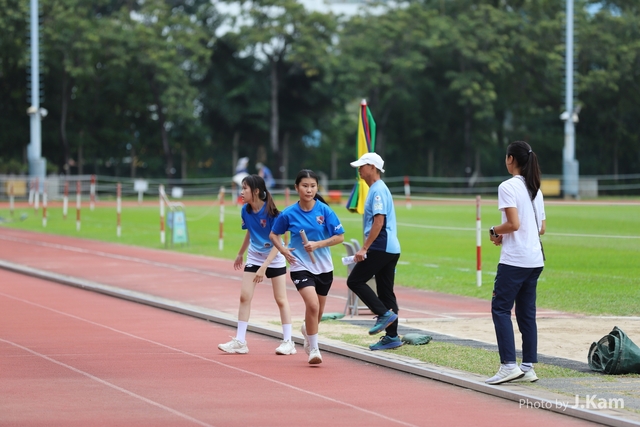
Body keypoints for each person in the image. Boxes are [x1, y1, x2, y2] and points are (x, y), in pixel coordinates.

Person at [269, 169, 345, 365]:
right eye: (305, 186)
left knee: (317, 313)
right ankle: (314, 349)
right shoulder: (289, 213)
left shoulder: (325, 211)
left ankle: (307, 330)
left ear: (317, 188)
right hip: (300, 265)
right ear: (297, 187)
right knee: (312, 305)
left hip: (324, 267)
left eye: (312, 186)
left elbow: (340, 237)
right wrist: (283, 250)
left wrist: (318, 244)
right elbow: (274, 234)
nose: (309, 190)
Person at [486, 140, 546, 385]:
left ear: (511, 159)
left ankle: (508, 365)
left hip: (515, 260)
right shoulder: (535, 189)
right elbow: (541, 228)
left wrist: (494, 230)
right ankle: (528, 367)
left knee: (500, 309)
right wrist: (508, 232)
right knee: (526, 314)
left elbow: (513, 224)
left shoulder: (508, 186)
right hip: (535, 259)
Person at [218, 174, 296, 356]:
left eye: (244, 188)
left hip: (274, 255)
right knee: (244, 296)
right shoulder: (245, 210)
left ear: (256, 191)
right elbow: (250, 232)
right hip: (255, 256)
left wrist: (264, 266)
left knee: (280, 299)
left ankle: (288, 342)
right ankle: (240, 341)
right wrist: (240, 253)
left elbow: (277, 242)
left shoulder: (273, 214)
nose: (241, 192)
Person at [346, 152, 402, 351]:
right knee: (386, 292)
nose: (359, 170)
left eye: (362, 166)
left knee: (354, 281)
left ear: (372, 167)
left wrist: (364, 248)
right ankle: (392, 336)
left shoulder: (377, 190)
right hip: (391, 248)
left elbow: (379, 221)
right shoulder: (378, 189)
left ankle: (384, 314)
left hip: (381, 246)